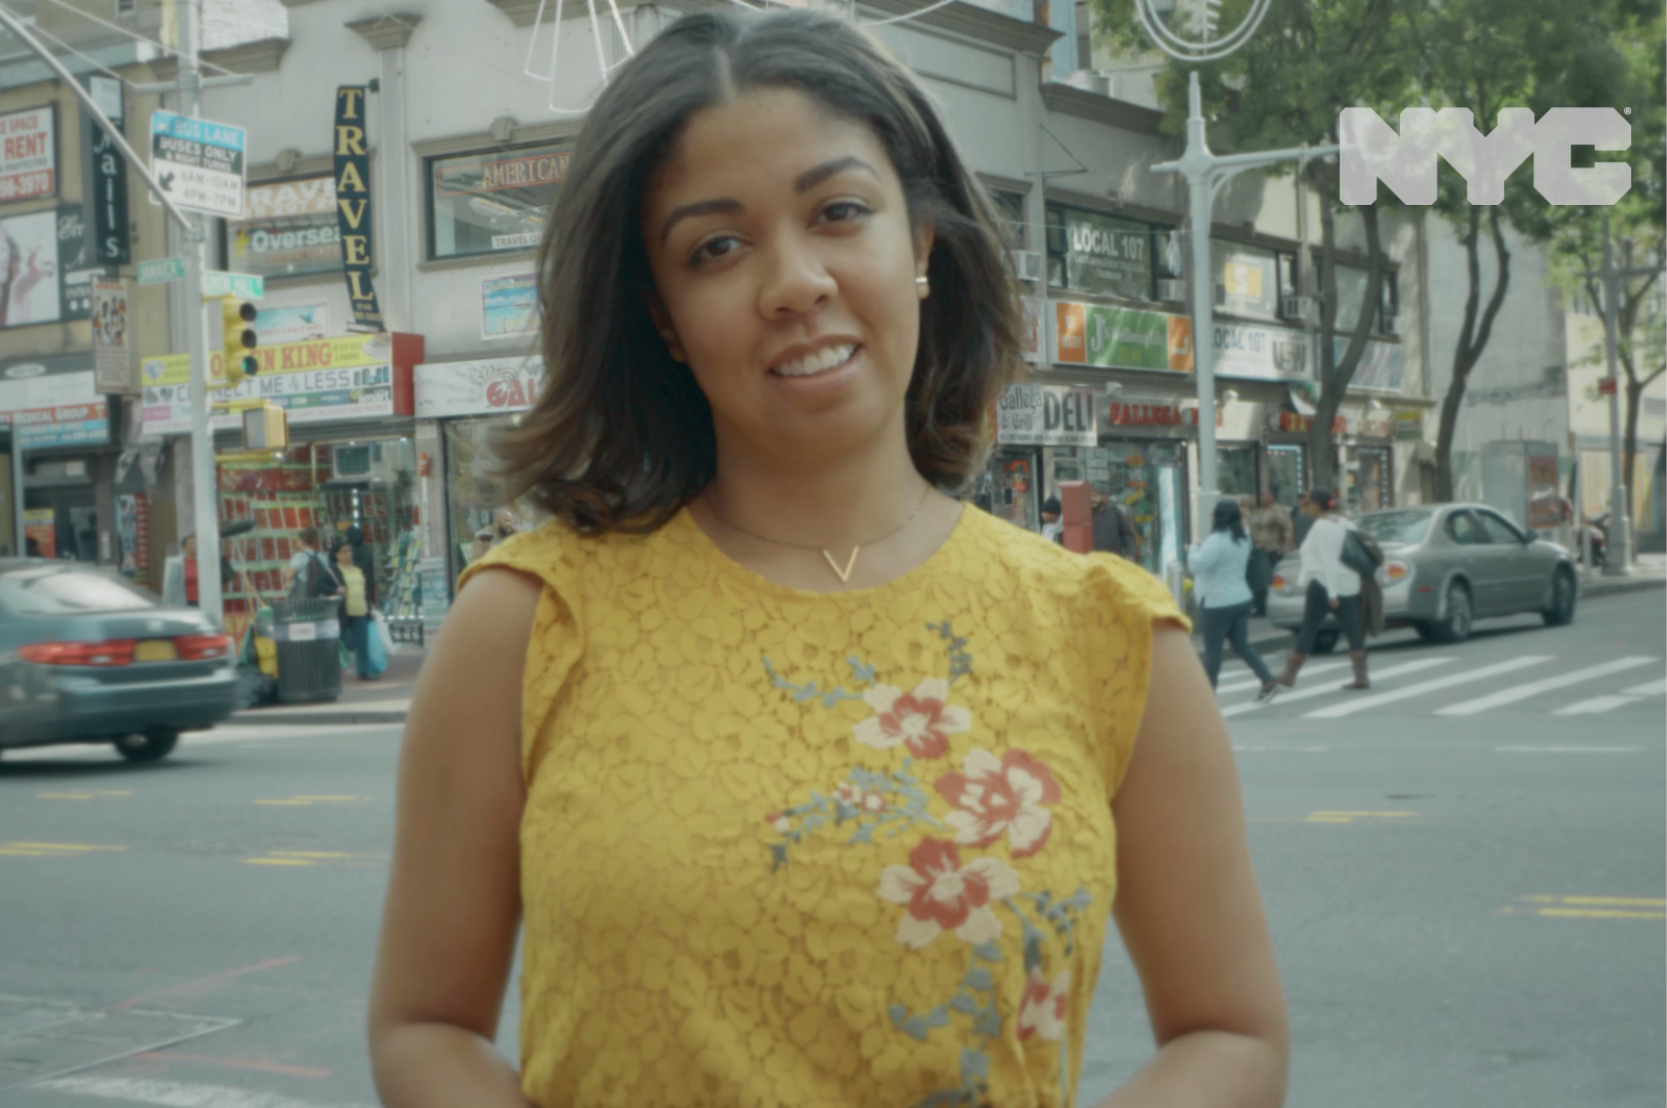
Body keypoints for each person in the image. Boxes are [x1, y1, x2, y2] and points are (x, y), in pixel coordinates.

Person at [366, 12, 1287, 1108]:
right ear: (661, 316)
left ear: (922, 244)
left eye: (838, 212)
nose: (793, 281)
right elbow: (423, 1024)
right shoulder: (527, 622)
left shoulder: (1106, 633)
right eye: (716, 246)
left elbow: (1228, 1033)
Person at [1188, 499, 1280, 703]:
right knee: (1241, 644)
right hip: (1241, 598)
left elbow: (1197, 565)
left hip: (1217, 601)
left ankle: (1207, 697)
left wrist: (1193, 548)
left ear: (1217, 517)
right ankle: (1267, 680)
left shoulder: (1216, 540)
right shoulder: (1243, 539)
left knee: (1213, 650)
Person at [1277, 487, 1369, 691]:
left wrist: (1332, 593)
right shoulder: (1344, 522)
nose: (1305, 507)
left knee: (1309, 627)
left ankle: (1289, 674)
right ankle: (1361, 676)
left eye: (1308, 503)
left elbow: (1329, 560)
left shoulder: (1321, 527)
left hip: (1324, 584)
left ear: (1317, 505)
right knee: (1352, 629)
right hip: (1350, 583)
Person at [316, 539, 375, 680]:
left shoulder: (358, 569)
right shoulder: (332, 571)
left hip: (360, 610)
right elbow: (319, 585)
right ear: (337, 555)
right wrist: (336, 589)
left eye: (350, 550)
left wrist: (369, 608)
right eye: (344, 551)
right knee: (347, 640)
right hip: (343, 612)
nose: (349, 553)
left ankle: (363, 672)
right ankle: (333, 668)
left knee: (362, 643)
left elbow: (363, 589)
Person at [1247, 492, 1294, 617]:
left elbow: (1287, 528)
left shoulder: (1278, 511)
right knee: (1260, 579)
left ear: (1272, 497)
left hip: (1273, 549)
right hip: (1258, 549)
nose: (1262, 497)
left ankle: (1276, 603)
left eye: (1265, 495)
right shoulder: (1258, 512)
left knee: (1273, 578)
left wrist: (1286, 545)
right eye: (1261, 495)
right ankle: (1260, 606)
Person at [1091, 488, 1139, 559]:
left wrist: (1130, 553)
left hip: (1114, 561)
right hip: (1091, 562)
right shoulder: (1082, 514)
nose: (1092, 498)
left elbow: (1127, 534)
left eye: (1096, 495)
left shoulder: (1113, 511)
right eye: (1089, 495)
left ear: (1103, 496)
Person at [282, 526, 326, 598]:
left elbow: (289, 575)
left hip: (303, 597)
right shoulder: (321, 557)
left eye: (297, 540)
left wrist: (284, 570)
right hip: (320, 597)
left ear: (301, 541)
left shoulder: (300, 557)